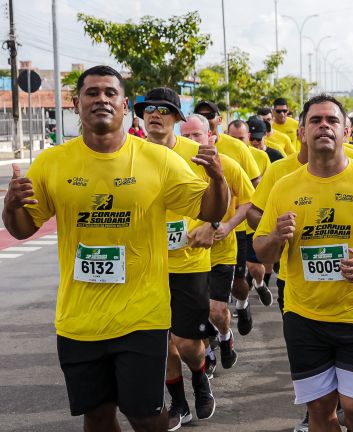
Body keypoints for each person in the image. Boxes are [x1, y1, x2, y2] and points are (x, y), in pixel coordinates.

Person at [2, 65, 228, 431]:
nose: (101, 99)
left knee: (145, 416)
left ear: (125, 106)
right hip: (78, 321)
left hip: (142, 317)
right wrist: (11, 207)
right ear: (76, 104)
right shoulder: (52, 162)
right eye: (92, 93)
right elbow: (24, 228)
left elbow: (211, 209)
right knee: (97, 416)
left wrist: (217, 178)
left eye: (110, 93)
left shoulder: (159, 159)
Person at [253, 94, 353, 432]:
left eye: (332, 120)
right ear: (302, 132)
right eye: (315, 120)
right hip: (304, 316)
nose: (324, 125)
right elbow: (262, 252)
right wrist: (277, 236)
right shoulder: (284, 187)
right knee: (320, 412)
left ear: (345, 131)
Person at [136, 88, 221, 429]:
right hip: (145, 264)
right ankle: (179, 402)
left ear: (176, 117)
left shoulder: (196, 152)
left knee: (186, 343)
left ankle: (199, 378)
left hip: (188, 263)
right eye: (148, 109)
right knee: (162, 341)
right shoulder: (130, 154)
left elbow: (219, 197)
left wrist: (211, 225)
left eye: (163, 109)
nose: (155, 114)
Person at [180, 114, 254, 381]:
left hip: (222, 251)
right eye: (185, 136)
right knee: (197, 313)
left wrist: (228, 226)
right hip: (187, 255)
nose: (190, 141)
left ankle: (225, 335)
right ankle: (208, 355)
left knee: (217, 310)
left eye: (196, 135)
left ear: (210, 136)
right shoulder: (174, 166)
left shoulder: (229, 165)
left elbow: (248, 203)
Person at [194, 101, 264, 338]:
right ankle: (215, 341)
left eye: (210, 116)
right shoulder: (180, 154)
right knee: (204, 304)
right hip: (195, 239)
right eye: (200, 115)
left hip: (237, 227)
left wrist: (235, 222)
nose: (207, 118)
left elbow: (254, 185)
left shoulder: (236, 150)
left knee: (239, 283)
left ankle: (243, 305)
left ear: (217, 122)